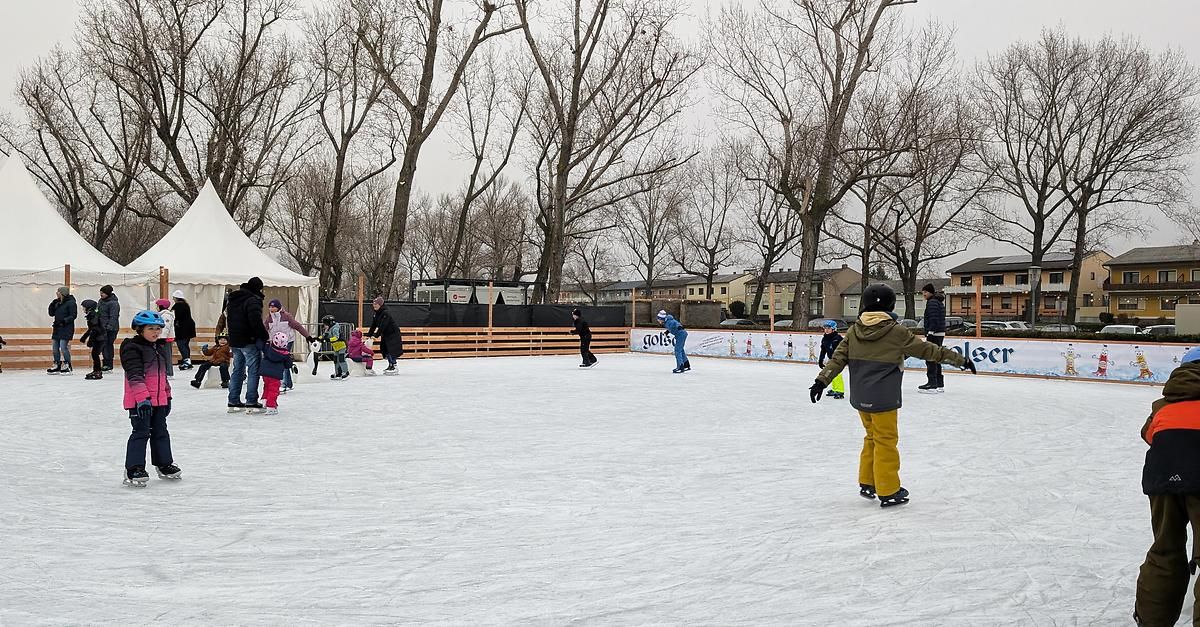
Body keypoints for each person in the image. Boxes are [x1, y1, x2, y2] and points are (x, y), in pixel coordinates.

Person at [809, 283, 977, 508]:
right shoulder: (895, 331)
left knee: (871, 437)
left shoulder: (853, 331)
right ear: (889, 305)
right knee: (886, 441)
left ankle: (868, 482)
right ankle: (888, 489)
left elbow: (837, 359)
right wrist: (960, 360)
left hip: (860, 398)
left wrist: (821, 381)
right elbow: (930, 350)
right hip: (884, 399)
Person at [1133, 346, 1200, 626]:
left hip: (1161, 478)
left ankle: (1152, 621)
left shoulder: (1164, 404)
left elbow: (1148, 434)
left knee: (1165, 549)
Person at [120, 310, 180, 487]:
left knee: (161, 432)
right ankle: (134, 468)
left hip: (159, 400)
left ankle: (164, 464)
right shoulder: (132, 348)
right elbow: (135, 376)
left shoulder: (158, 348)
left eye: (158, 328)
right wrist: (143, 399)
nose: (156, 332)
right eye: (151, 328)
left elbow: (162, 376)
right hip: (141, 402)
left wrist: (167, 396)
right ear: (140, 329)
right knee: (141, 432)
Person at [226, 277, 270, 413]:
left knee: (237, 370)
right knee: (253, 370)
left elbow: (229, 319)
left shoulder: (233, 299)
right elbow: (255, 321)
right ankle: (251, 400)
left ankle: (233, 400)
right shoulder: (253, 300)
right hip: (248, 340)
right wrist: (264, 336)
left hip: (235, 340)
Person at [265, 299, 313, 392]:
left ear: (278, 307)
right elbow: (264, 329)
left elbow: (297, 326)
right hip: (275, 343)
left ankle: (283, 383)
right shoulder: (269, 318)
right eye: (270, 307)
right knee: (283, 361)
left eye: (273, 307)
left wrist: (308, 336)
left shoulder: (286, 316)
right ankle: (289, 383)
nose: (271, 309)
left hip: (287, 341)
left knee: (281, 361)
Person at [920, 283, 947, 394]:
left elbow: (934, 318)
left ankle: (932, 384)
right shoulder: (938, 302)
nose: (924, 295)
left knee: (930, 358)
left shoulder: (932, 303)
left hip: (934, 334)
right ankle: (939, 383)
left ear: (930, 292)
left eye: (925, 292)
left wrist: (930, 332)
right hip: (939, 333)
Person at [367, 296, 404, 375]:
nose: (374, 306)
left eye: (376, 304)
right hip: (386, 334)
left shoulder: (385, 313)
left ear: (380, 305)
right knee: (384, 349)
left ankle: (394, 365)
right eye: (373, 304)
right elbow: (373, 325)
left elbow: (383, 326)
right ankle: (390, 364)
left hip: (393, 333)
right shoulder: (376, 314)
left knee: (391, 350)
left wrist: (376, 335)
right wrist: (369, 335)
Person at [258, 332, 293, 416]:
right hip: (275, 376)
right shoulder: (285, 355)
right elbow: (288, 365)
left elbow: (259, 345)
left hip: (265, 374)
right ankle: (271, 406)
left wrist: (260, 338)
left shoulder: (268, 348)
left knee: (266, 387)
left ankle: (265, 401)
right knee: (273, 390)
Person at [47, 286, 77, 375]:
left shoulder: (71, 303)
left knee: (63, 347)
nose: (56, 293)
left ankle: (67, 365)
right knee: (55, 348)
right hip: (57, 328)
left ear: (62, 293)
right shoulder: (58, 302)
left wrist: (64, 321)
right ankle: (57, 364)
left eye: (58, 291)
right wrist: (52, 304)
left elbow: (73, 315)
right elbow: (51, 313)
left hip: (66, 328)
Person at [79, 299, 108, 380]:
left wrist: (90, 341)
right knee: (94, 354)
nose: (83, 309)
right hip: (99, 337)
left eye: (84, 307)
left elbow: (94, 329)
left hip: (100, 338)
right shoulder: (92, 314)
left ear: (89, 307)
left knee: (95, 354)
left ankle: (98, 371)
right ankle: (96, 370)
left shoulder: (93, 315)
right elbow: (91, 329)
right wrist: (84, 337)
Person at [315, 315, 350, 380]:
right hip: (336, 347)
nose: (324, 325)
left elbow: (336, 337)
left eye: (325, 324)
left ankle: (345, 372)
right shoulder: (328, 328)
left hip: (341, 346)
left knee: (341, 359)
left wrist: (327, 340)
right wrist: (317, 338)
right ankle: (338, 373)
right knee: (336, 360)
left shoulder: (335, 328)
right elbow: (324, 336)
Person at [818, 320, 845, 400]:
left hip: (839, 359)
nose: (826, 330)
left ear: (833, 329)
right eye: (825, 328)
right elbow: (823, 350)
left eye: (828, 328)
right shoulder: (825, 339)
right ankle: (835, 389)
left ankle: (840, 391)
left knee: (837, 374)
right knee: (831, 374)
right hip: (831, 359)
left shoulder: (838, 338)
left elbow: (844, 349)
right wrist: (820, 360)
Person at [172, 290, 196, 371]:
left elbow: (176, 317)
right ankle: (187, 360)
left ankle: (186, 361)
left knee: (181, 345)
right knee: (185, 345)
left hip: (182, 328)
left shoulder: (178, 306)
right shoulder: (185, 305)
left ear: (176, 298)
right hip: (189, 327)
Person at [98, 285, 120, 371]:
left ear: (107, 293)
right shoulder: (100, 301)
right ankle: (105, 362)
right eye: (100, 292)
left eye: (103, 293)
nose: (101, 294)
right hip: (102, 327)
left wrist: (109, 327)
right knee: (103, 345)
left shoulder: (113, 303)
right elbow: (98, 311)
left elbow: (114, 316)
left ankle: (108, 363)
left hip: (111, 329)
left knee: (107, 345)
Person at [155, 299, 176, 377]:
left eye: (157, 305)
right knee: (162, 356)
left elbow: (165, 328)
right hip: (162, 339)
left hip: (165, 339)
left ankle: (168, 372)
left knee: (166, 356)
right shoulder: (162, 314)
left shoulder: (166, 315)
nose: (156, 307)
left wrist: (162, 338)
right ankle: (164, 371)